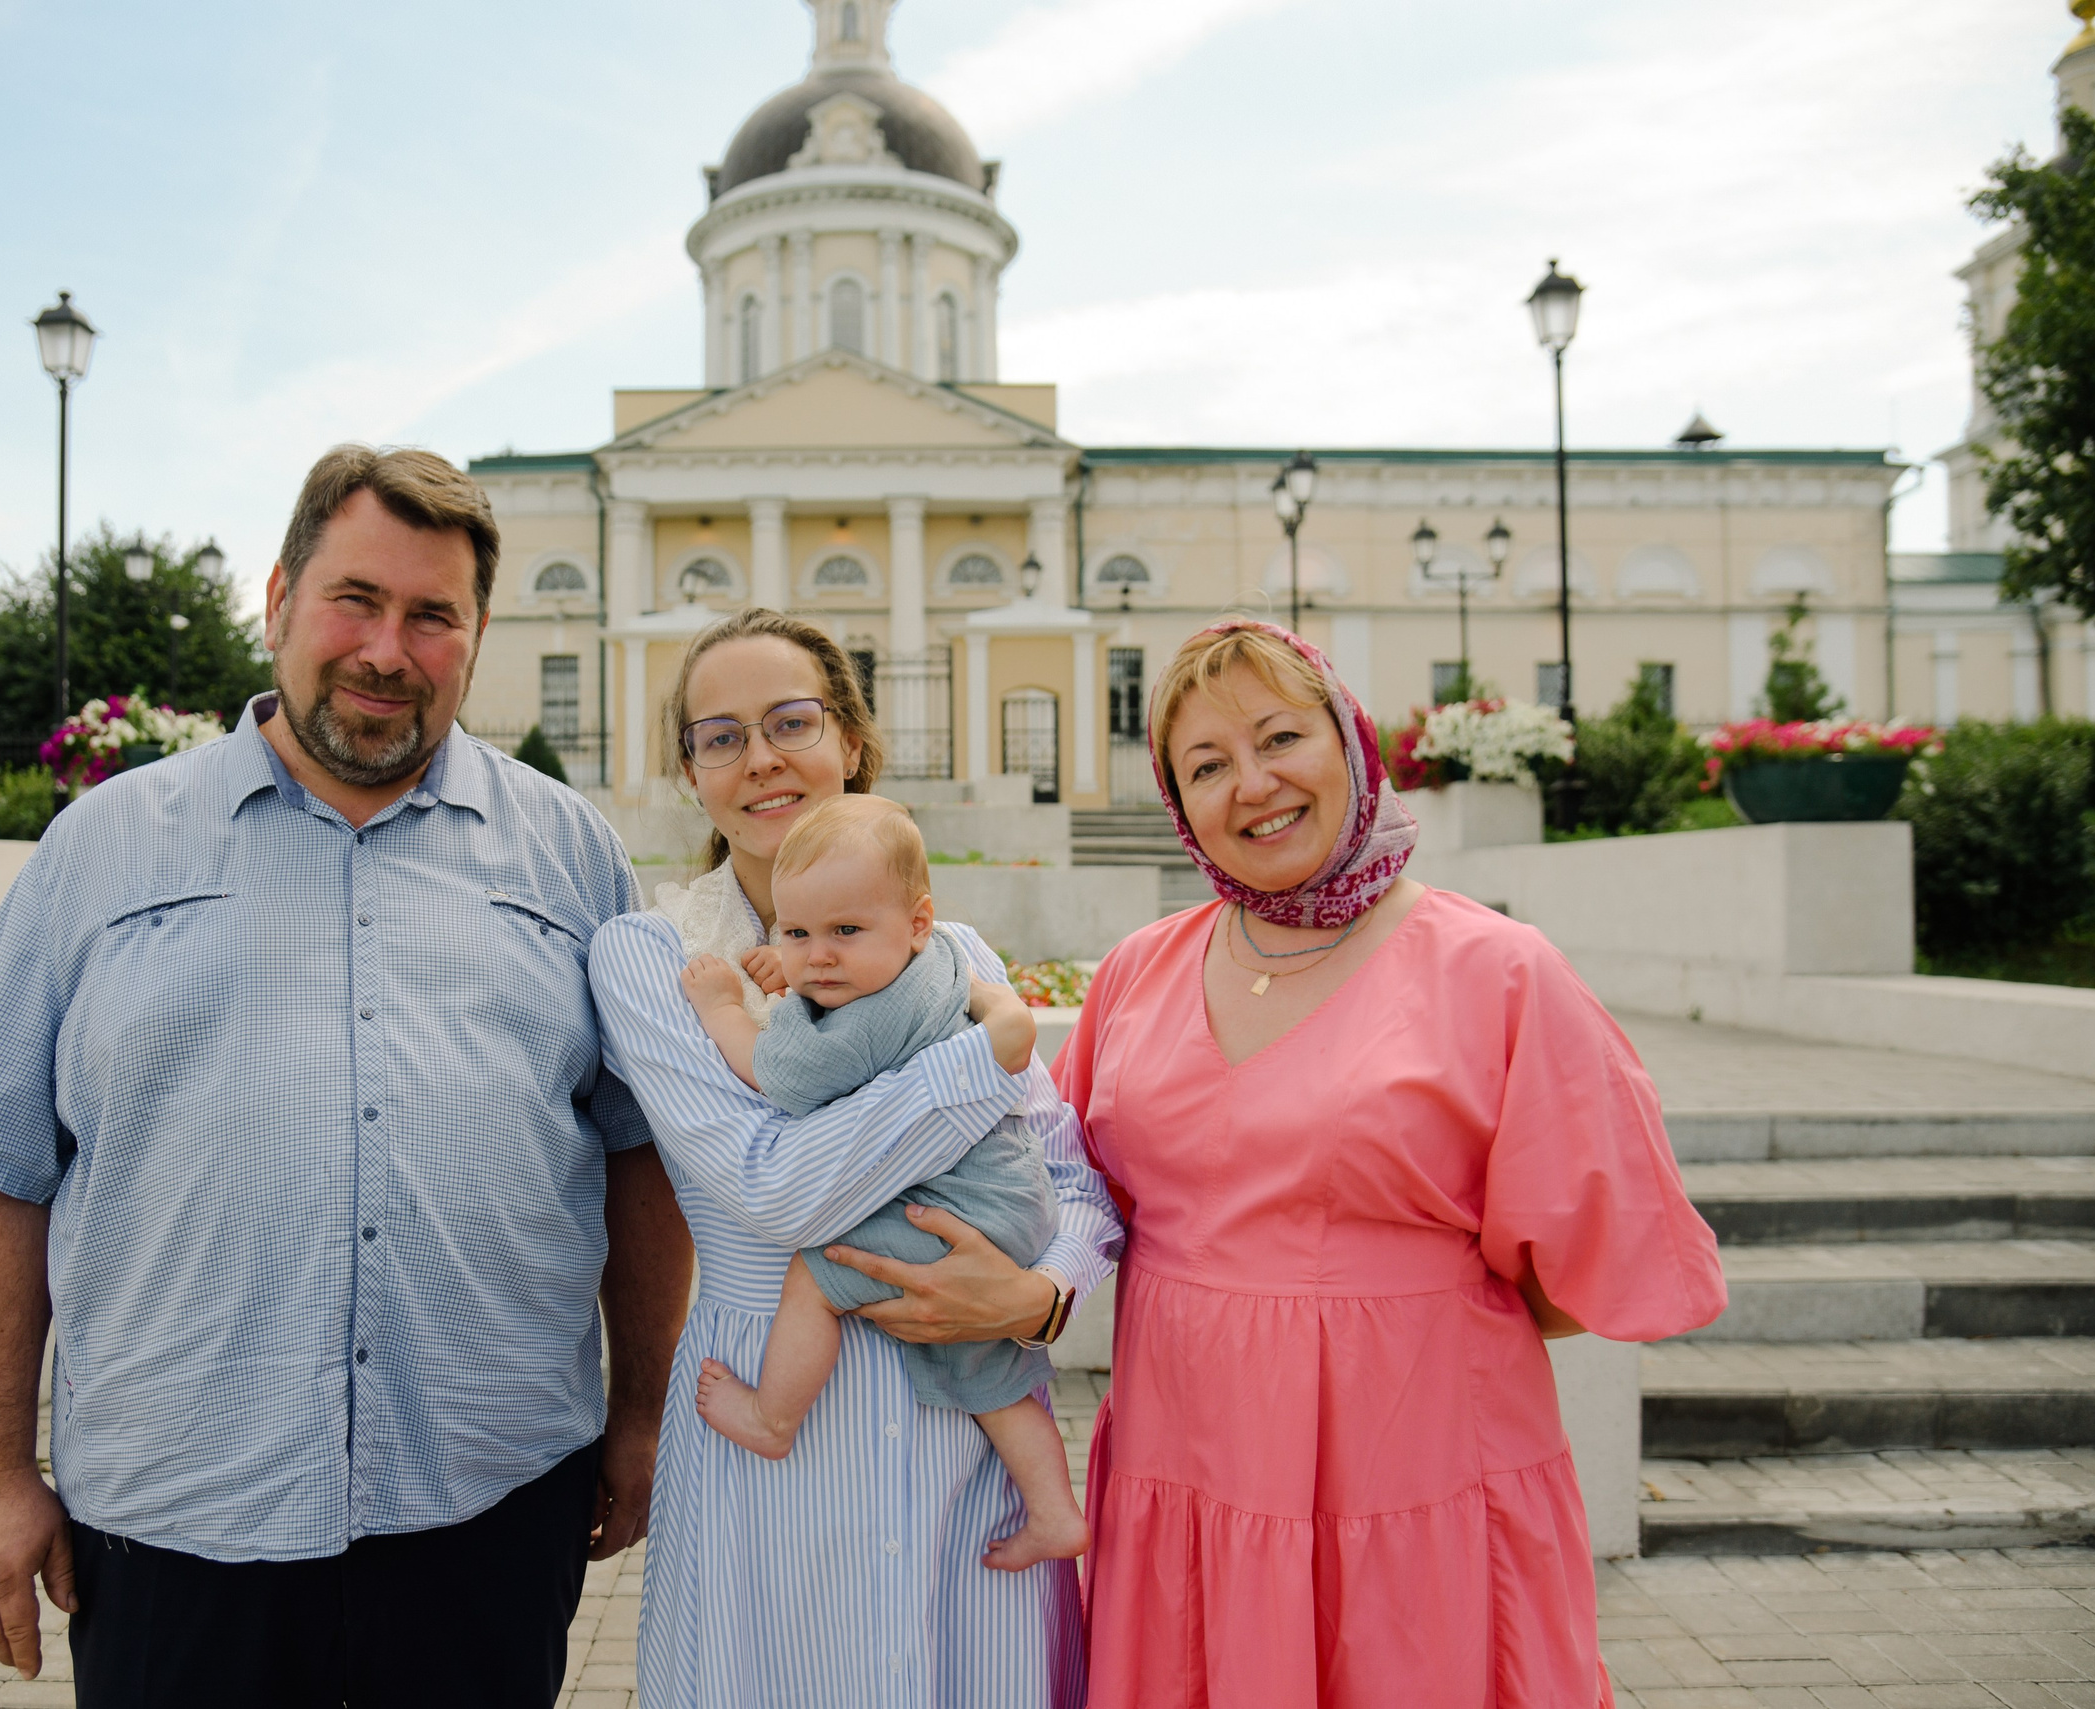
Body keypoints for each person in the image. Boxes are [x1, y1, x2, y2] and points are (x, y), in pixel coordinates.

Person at [0, 445, 692, 1708]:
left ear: (475, 638)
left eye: (432, 615)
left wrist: (645, 1411)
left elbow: (634, 1152)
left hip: (488, 1506)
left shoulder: (569, 855)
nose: (388, 647)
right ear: (278, 602)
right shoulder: (101, 847)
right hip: (176, 1519)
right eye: (355, 600)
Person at [1057, 618, 1727, 1709]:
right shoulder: (1137, 969)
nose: (1253, 784)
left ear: (1352, 741)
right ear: (1178, 803)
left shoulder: (1497, 969)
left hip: (1414, 1483)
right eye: (1207, 764)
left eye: (1280, 737)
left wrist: (1376, 1319)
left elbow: (1575, 1265)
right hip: (1187, 1474)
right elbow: (1085, 1195)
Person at [586, 608, 1123, 1709]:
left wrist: (1038, 1294)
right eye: (720, 735)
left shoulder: (954, 949)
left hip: (963, 1429)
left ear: (851, 743)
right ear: (689, 774)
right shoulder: (652, 959)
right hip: (766, 1424)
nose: (762, 758)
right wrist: (979, 1060)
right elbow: (771, 1186)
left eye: (792, 721)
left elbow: (1070, 1177)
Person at [680, 792, 1089, 1573]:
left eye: (843, 932)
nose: (819, 957)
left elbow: (779, 1072)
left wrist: (725, 1005)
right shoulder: (939, 967)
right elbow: (830, 989)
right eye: (795, 933)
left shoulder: (866, 1019)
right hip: (1006, 1203)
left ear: (919, 922)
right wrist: (794, 974)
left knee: (815, 1275)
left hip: (957, 1211)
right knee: (990, 1374)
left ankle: (773, 1415)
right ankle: (1054, 1508)